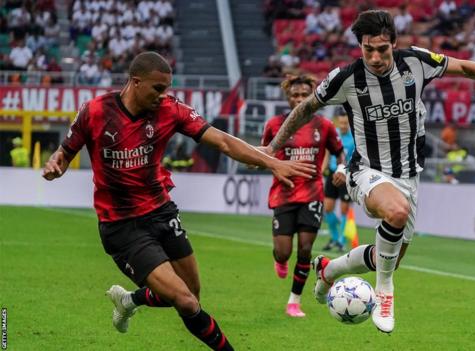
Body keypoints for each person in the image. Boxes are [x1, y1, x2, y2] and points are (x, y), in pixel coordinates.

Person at [262, 10, 475, 333]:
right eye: (367, 49)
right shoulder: (345, 79)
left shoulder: (415, 63)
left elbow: (465, 67)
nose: (375, 57)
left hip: (409, 175)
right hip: (367, 170)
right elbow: (305, 110)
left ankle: (329, 270)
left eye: (382, 49)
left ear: (394, 44)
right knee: (395, 214)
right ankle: (384, 291)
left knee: (388, 254)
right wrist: (273, 147)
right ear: (359, 46)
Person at [42, 52, 315, 350]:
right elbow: (65, 151)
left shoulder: (172, 111)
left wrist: (269, 162)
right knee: (184, 300)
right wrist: (57, 164)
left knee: (191, 296)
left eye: (167, 89)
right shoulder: (95, 111)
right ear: (135, 82)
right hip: (122, 226)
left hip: (161, 212)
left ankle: (129, 299)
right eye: (158, 89)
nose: (164, 96)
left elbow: (223, 141)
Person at [261, 74, 345, 318]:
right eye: (294, 95)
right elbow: (264, 153)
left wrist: (341, 169)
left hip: (312, 194)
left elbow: (339, 153)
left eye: (304, 95)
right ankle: (280, 258)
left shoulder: (324, 126)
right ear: (287, 97)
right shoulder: (275, 125)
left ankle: (294, 302)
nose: (299, 99)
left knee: (306, 249)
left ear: (313, 96)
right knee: (284, 251)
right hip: (283, 194)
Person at [322, 111, 355, 252]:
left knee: (344, 210)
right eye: (341, 122)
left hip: (346, 175)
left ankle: (342, 240)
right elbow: (327, 153)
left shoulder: (354, 138)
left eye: (345, 123)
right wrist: (321, 170)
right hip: (332, 173)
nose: (343, 126)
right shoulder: (334, 134)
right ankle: (335, 237)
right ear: (337, 122)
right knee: (327, 208)